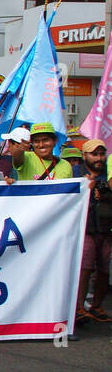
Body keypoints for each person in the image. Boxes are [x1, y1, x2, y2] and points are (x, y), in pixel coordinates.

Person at [76, 139, 112, 324]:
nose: (98, 158)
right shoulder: (77, 173)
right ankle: (79, 307)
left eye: (101, 154)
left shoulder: (108, 174)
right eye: (94, 154)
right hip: (85, 228)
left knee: (105, 268)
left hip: (105, 229)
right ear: (84, 156)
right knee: (85, 267)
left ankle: (96, 305)